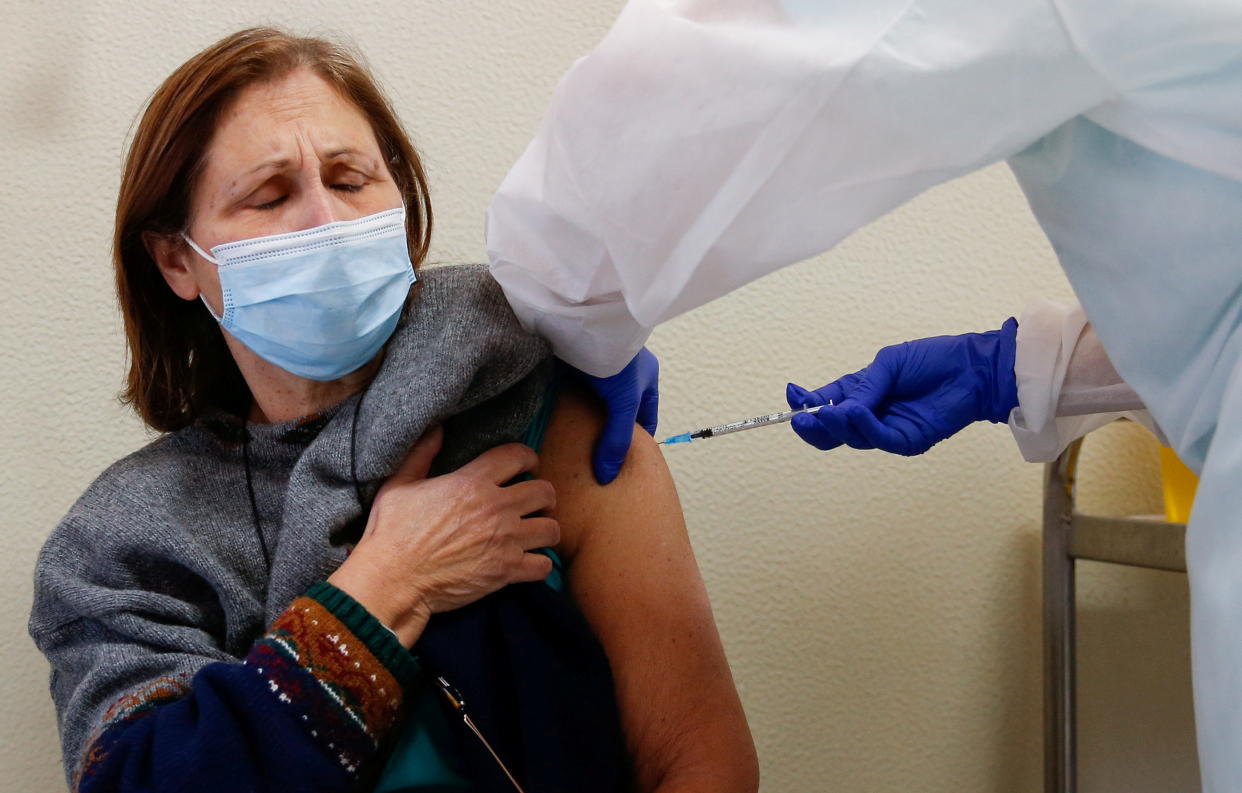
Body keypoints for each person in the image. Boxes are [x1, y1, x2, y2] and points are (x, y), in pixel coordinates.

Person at [484, 0, 1242, 788]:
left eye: (355, 175)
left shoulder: (548, 433)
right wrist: (1019, 365)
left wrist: (553, 302)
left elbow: (753, 61)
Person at [26, 28, 758, 793]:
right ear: (177, 259)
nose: (326, 222)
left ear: (403, 208)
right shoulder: (122, 542)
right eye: (270, 195)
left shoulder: (559, 429)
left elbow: (700, 760)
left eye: (350, 180)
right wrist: (386, 584)